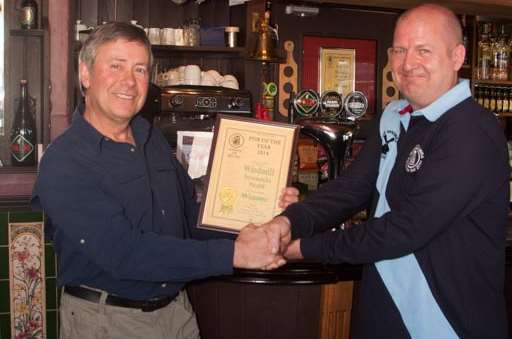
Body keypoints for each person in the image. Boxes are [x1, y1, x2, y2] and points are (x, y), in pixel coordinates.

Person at [32, 22, 294, 339]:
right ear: (85, 74)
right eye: (116, 66)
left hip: (176, 314)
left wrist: (258, 217)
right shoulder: (65, 161)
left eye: (140, 69)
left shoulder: (151, 139)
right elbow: (125, 253)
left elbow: (190, 219)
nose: (129, 81)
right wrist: (236, 254)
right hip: (108, 322)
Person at [268, 4, 509, 338]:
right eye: (399, 50)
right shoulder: (395, 116)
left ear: (457, 56)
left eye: (424, 50)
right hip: (384, 310)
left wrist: (303, 248)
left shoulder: (471, 131)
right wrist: (288, 221)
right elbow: (351, 189)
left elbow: (406, 229)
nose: (408, 64)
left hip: (446, 320)